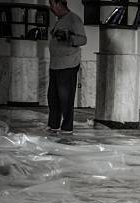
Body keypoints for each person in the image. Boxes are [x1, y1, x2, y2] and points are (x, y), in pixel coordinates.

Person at [47, 0, 87, 134]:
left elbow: (83, 39)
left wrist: (68, 36)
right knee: (53, 98)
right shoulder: (60, 20)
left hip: (68, 65)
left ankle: (67, 128)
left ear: (59, 4)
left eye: (52, 4)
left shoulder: (74, 19)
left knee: (65, 98)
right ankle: (53, 125)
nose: (51, 8)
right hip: (55, 64)